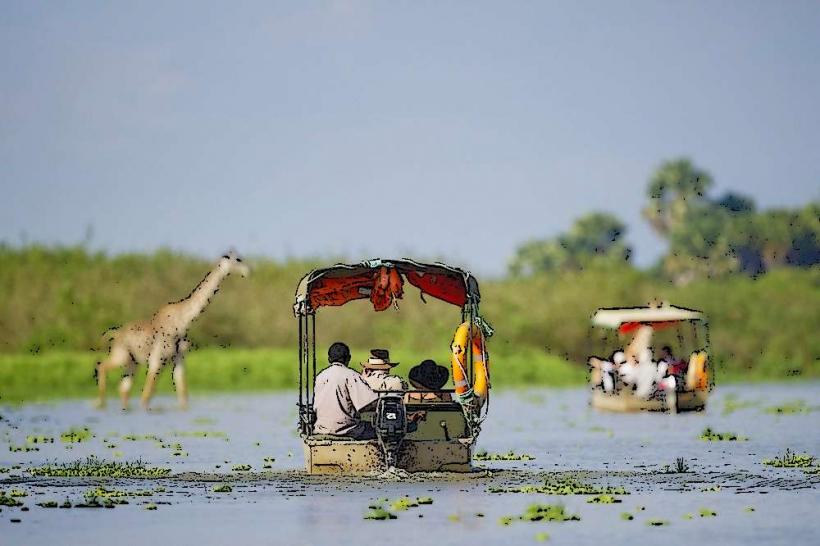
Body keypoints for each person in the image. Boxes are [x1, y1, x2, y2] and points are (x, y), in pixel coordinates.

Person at [313, 342, 379, 440]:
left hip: (321, 429)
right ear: (348, 358)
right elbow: (368, 403)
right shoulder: (351, 375)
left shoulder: (320, 376)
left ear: (329, 359)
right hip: (346, 430)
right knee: (379, 429)